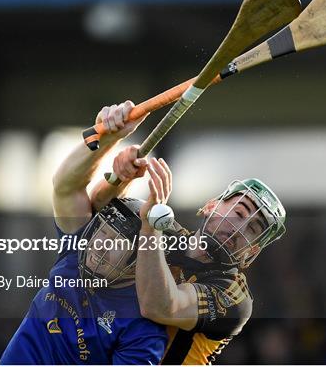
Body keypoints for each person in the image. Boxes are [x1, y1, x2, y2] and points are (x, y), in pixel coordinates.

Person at [0, 101, 167, 364]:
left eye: (116, 245)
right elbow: (65, 185)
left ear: (136, 262)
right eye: (102, 235)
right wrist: (107, 137)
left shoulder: (143, 329)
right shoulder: (77, 249)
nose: (100, 246)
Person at [99, 137, 287, 364]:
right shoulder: (166, 233)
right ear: (210, 206)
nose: (239, 228)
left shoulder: (234, 297)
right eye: (239, 213)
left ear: (252, 251)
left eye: (252, 229)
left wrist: (150, 228)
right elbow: (93, 211)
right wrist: (119, 175)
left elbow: (159, 307)